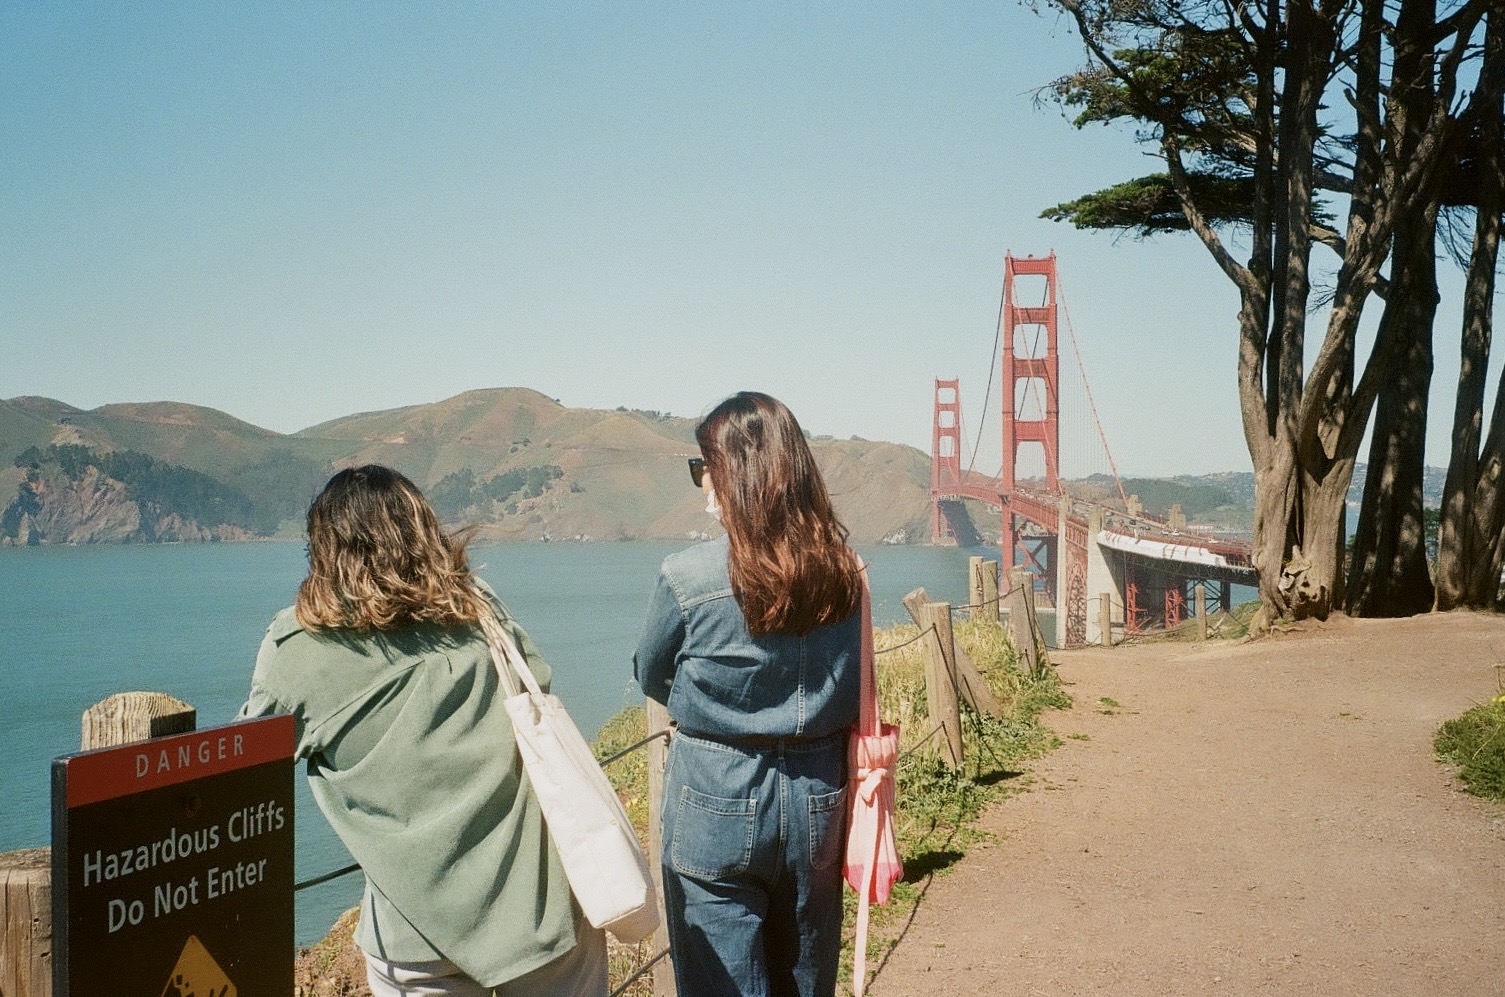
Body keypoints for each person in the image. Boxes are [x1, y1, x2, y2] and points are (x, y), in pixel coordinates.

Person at [239, 465, 606, 997]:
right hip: (544, 911)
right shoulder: (476, 605)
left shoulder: (296, 644)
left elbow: (246, 765)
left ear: (323, 548)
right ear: (425, 532)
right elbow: (539, 684)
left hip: (418, 941)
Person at [634, 392, 864, 997]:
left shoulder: (686, 578)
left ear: (732, 474)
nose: (701, 482)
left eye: (702, 466)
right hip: (819, 794)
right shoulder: (845, 571)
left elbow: (651, 674)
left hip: (715, 791)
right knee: (806, 978)